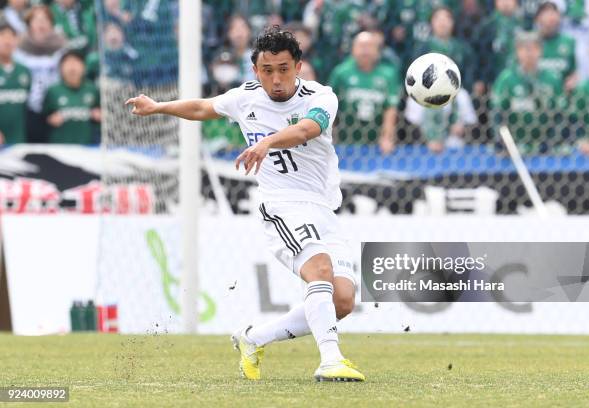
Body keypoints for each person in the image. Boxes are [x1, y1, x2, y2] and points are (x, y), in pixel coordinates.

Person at [126, 26, 365, 383]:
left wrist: (266, 142)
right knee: (319, 270)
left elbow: (306, 130)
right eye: (267, 70)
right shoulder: (246, 97)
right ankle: (331, 360)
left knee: (342, 301)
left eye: (283, 68)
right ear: (255, 70)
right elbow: (203, 107)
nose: (276, 78)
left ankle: (252, 338)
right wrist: (158, 106)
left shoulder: (321, 96)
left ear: (298, 67)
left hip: (323, 208)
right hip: (282, 205)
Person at [491, 31, 564, 154]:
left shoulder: (552, 79)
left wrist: (552, 140)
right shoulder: (506, 78)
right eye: (524, 49)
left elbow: (560, 114)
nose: (529, 53)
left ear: (540, 51)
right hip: (514, 148)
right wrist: (502, 140)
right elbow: (497, 114)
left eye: (534, 48)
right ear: (517, 52)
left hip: (546, 147)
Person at [328, 31, 399, 154]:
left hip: (377, 144)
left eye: (370, 46)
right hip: (345, 140)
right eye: (361, 46)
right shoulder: (341, 73)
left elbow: (391, 108)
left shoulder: (388, 74)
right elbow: (330, 106)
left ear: (378, 51)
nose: (365, 50)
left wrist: (387, 138)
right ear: (353, 50)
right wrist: (329, 137)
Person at [13, 5, 66, 143]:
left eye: (45, 19)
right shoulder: (18, 50)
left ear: (51, 24)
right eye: (37, 19)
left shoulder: (62, 49)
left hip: (54, 109)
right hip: (25, 111)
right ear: (29, 24)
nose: (41, 23)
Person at [42, 50, 100, 144]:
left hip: (87, 148)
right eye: (68, 63)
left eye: (76, 63)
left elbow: (100, 114)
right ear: (61, 68)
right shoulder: (53, 91)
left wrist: (98, 115)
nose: (72, 68)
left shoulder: (92, 90)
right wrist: (49, 119)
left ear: (84, 67)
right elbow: (43, 118)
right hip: (59, 147)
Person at [534, 2, 578, 92]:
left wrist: (572, 82)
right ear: (538, 18)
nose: (551, 18)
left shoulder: (568, 42)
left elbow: (573, 72)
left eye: (554, 13)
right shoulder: (531, 42)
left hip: (561, 95)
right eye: (546, 14)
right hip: (535, 94)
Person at [0, 21, 31, 145]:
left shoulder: (24, 71)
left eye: (11, 36)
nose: (7, 41)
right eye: (2, 36)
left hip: (19, 141)